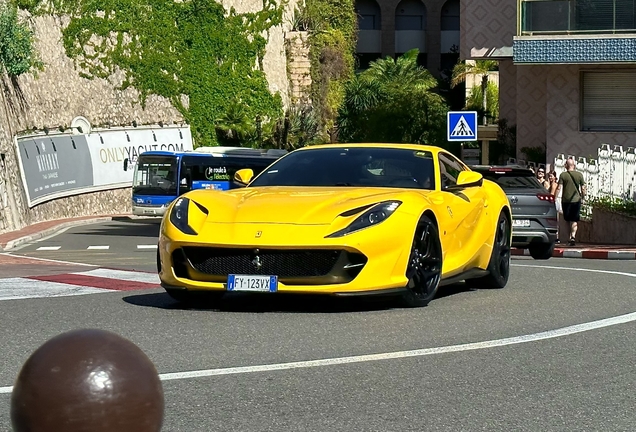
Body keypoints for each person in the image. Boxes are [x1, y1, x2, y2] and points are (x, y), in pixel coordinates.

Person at [555, 159, 586, 246]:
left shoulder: (563, 175)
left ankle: (569, 237)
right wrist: (583, 197)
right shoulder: (579, 175)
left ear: (566, 165)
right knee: (574, 219)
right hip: (576, 200)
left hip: (566, 200)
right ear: (574, 165)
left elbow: (559, 187)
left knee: (567, 219)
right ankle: (573, 236)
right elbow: (583, 188)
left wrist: (555, 198)